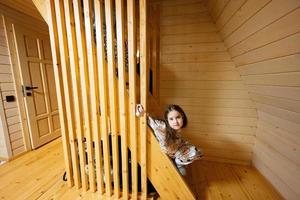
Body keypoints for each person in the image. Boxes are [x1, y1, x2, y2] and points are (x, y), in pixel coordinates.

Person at [136, 104, 204, 176]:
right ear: (167, 120)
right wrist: (141, 112)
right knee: (192, 154)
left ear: (182, 117)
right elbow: (149, 120)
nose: (175, 122)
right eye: (171, 119)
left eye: (178, 117)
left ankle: (181, 161)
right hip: (171, 152)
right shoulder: (163, 126)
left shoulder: (176, 128)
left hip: (178, 146)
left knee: (196, 151)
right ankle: (178, 163)